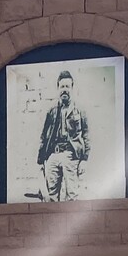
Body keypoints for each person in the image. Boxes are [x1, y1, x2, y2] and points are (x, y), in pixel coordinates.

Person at [36, 70, 89, 201]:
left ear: (72, 88)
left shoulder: (79, 110)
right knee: (51, 197)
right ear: (58, 88)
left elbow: (86, 136)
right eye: (62, 87)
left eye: (67, 87)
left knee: (72, 196)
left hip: (71, 155)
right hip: (53, 155)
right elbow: (44, 136)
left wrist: (84, 160)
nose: (64, 90)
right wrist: (42, 160)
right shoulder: (52, 110)